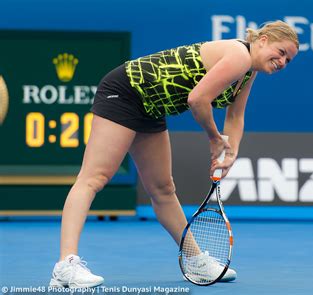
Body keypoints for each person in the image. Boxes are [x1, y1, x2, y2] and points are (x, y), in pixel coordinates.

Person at [49, 20, 299, 288]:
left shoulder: (248, 73)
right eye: (281, 51)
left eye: (289, 59)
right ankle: (65, 265)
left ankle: (194, 261)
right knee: (94, 178)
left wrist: (230, 152)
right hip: (125, 92)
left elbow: (235, 117)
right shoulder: (239, 55)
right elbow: (197, 99)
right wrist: (215, 139)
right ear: (262, 41)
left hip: (151, 106)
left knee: (163, 188)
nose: (283, 61)